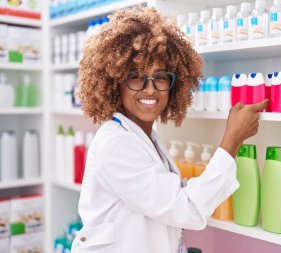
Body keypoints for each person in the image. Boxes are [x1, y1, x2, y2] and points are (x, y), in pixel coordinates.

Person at [71, 6, 268, 253]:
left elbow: (165, 199)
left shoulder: (144, 136)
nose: (150, 89)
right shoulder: (115, 144)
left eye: (160, 77)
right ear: (115, 82)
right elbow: (187, 209)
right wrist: (232, 140)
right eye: (136, 76)